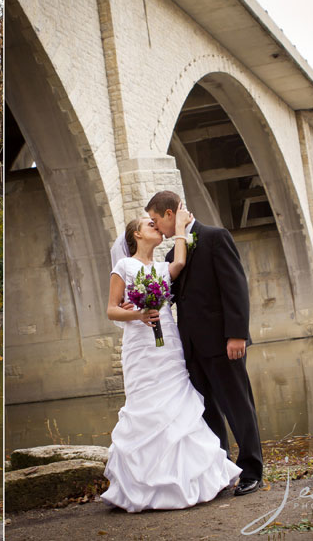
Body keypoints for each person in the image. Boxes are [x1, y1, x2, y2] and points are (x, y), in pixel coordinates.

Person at [102, 206, 241, 512]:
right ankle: (144, 485)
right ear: (137, 234)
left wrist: (179, 226)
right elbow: (111, 309)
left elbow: (180, 260)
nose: (155, 227)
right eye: (149, 224)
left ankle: (196, 481)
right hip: (141, 347)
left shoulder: (164, 269)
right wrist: (138, 313)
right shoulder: (124, 266)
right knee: (146, 406)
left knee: (179, 404)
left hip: (169, 347)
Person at [146, 190, 263, 496]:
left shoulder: (215, 237)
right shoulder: (174, 256)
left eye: (156, 219)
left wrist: (236, 334)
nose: (156, 227)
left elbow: (235, 287)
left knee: (238, 406)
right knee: (207, 412)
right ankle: (220, 471)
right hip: (191, 348)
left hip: (224, 342)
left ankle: (252, 470)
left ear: (171, 214)